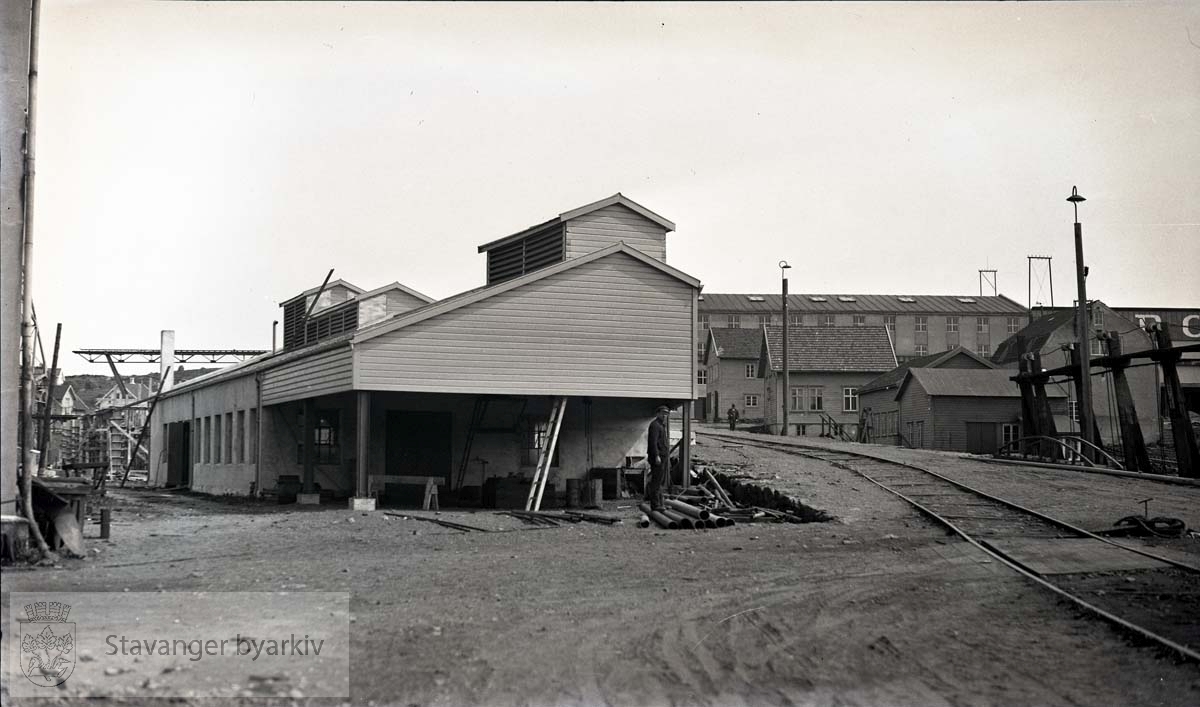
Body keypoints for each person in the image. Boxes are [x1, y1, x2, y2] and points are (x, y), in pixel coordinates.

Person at [646, 405, 671, 512]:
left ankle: (661, 504)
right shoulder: (655, 425)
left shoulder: (661, 425)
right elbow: (653, 443)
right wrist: (656, 455)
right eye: (663, 413)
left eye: (666, 414)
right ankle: (655, 505)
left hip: (663, 457)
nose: (665, 415)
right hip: (658, 458)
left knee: (660, 481)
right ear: (658, 414)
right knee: (656, 482)